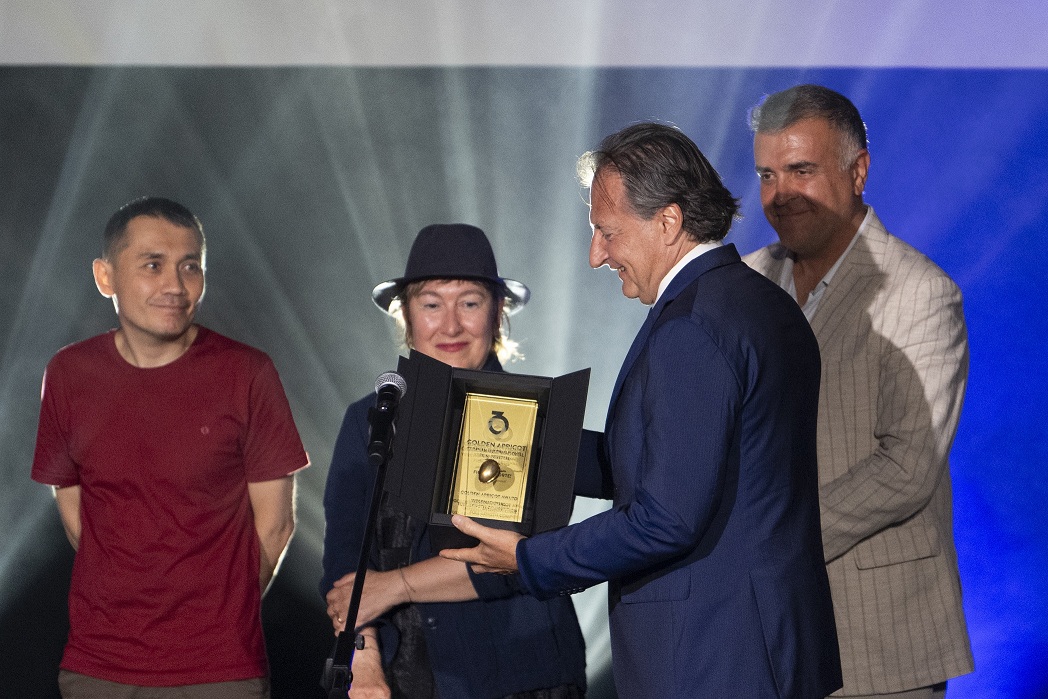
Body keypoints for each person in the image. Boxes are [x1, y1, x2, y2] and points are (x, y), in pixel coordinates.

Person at [441, 123, 843, 698]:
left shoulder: (692, 327)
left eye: (607, 232)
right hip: (765, 648)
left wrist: (532, 558)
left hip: (710, 657)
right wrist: (509, 441)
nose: (596, 255)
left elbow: (667, 518)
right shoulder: (764, 304)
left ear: (669, 222)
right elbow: (683, 466)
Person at [743, 84, 974, 698]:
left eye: (801, 170)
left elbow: (906, 468)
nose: (780, 193)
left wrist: (766, 542)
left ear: (858, 171)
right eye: (767, 174)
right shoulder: (743, 282)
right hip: (755, 639)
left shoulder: (920, 292)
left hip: (878, 642)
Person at [31, 197, 308, 698]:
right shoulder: (68, 373)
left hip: (219, 670)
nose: (176, 286)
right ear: (105, 277)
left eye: (190, 266)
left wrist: (220, 617)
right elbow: (75, 512)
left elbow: (276, 523)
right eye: (153, 265)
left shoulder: (247, 372)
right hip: (99, 665)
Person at [321, 223, 587, 699]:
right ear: (406, 314)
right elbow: (344, 561)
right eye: (431, 305)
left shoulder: (533, 413)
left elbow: (513, 560)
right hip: (404, 679)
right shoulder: (369, 418)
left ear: (498, 312)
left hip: (522, 677)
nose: (450, 326)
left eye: (469, 303)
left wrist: (395, 585)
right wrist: (364, 661)